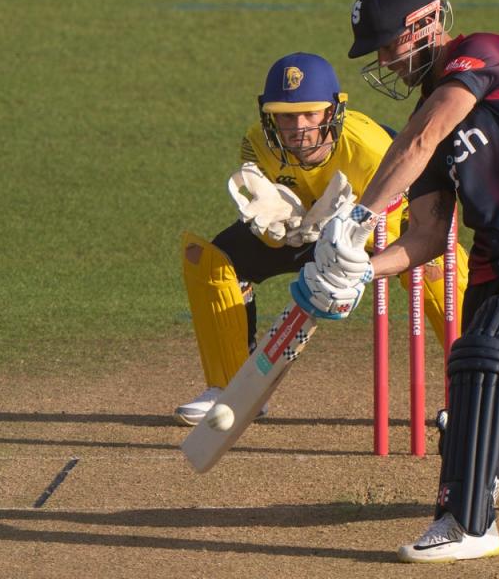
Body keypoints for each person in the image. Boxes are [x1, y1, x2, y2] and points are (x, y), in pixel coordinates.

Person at [292, 0, 499, 562]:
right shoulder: (428, 116)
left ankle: (470, 526)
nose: (387, 62)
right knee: (471, 378)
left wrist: (360, 216)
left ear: (424, 25)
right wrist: (363, 269)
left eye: (389, 45)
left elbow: (421, 140)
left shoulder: (485, 54)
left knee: (492, 350)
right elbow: (425, 236)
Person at [175, 51, 468, 426]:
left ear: (333, 111)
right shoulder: (257, 142)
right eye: (285, 115)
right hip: (306, 228)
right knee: (211, 259)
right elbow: (272, 198)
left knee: (436, 269)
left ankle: (486, 389)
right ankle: (233, 390)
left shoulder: (369, 148)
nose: (298, 127)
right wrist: (287, 220)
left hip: (377, 226)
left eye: (309, 114)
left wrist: (351, 252)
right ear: (268, 114)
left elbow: (409, 217)